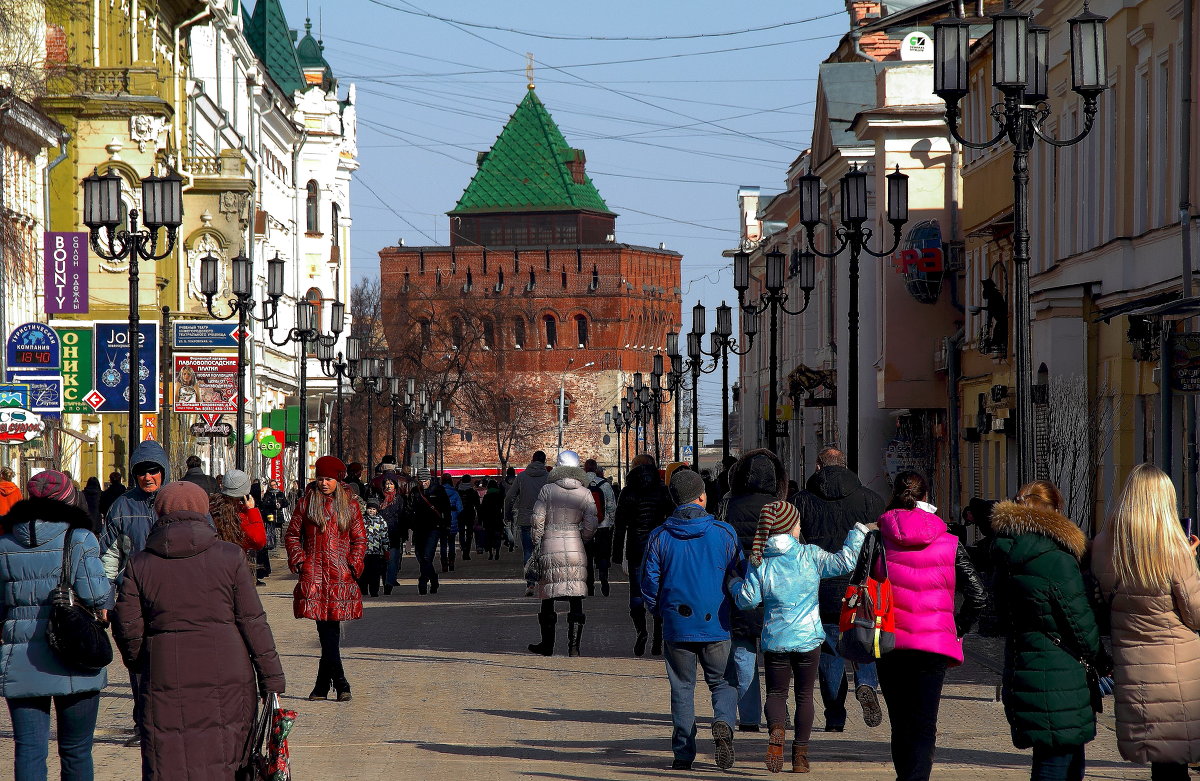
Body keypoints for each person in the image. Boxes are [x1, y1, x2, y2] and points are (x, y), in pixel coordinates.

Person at [112, 480, 285, 779]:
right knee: (226, 757)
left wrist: (145, 661)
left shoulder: (140, 564)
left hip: (166, 672)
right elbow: (253, 621)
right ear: (203, 511)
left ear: (160, 512)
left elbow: (127, 625)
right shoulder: (230, 557)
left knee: (170, 758)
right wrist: (271, 679)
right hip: (230, 673)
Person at [732, 500, 869, 774]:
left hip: (775, 640)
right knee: (805, 695)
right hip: (809, 638)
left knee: (776, 693)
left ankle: (776, 734)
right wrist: (859, 531)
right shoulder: (810, 555)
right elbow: (845, 561)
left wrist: (734, 583)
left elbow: (747, 600)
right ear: (792, 527)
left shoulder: (760, 562)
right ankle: (800, 758)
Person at [876, 471, 988, 781]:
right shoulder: (949, 541)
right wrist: (958, 629)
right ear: (926, 499)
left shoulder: (877, 539)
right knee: (924, 723)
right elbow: (978, 595)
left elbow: (863, 586)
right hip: (933, 646)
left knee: (900, 723)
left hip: (889, 641)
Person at [1091, 464, 1200, 781]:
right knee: (1177, 761)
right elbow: (1194, 613)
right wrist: (1190, 560)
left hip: (1132, 663)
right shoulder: (1174, 549)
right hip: (1178, 665)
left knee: (1160, 762)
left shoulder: (1103, 546)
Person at [0, 471, 111, 780]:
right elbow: (96, 593)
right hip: (73, 655)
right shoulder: (78, 538)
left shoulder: (5, 543)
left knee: (29, 750)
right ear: (68, 499)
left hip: (20, 659)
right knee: (76, 750)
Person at [989, 480, 1101, 781]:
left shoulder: (1005, 556)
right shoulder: (1057, 560)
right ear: (1054, 512)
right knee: (1057, 760)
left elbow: (997, 615)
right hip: (1060, 671)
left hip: (1023, 664)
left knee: (1057, 753)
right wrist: (1100, 659)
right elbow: (1080, 623)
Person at [640, 468, 743, 771]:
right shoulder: (724, 533)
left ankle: (683, 753)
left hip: (677, 621)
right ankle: (723, 722)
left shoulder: (659, 536)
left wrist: (658, 610)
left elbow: (649, 581)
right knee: (723, 683)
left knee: (682, 688)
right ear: (701, 496)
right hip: (717, 622)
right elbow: (736, 575)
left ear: (674, 500)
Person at [790, 446, 885, 732]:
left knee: (830, 651)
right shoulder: (870, 500)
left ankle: (834, 716)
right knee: (864, 638)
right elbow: (881, 547)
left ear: (818, 467)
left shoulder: (800, 501)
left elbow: (794, 547)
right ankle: (866, 682)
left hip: (820, 589)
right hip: (861, 587)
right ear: (845, 466)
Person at [99, 439, 168, 747]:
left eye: (154, 470)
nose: (148, 477)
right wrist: (104, 599)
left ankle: (168, 725)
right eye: (141, 471)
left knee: (172, 665)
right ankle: (143, 726)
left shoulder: (178, 501)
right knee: (138, 665)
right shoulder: (122, 506)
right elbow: (108, 559)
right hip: (133, 601)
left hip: (173, 599)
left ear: (164, 471)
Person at [285, 455, 366, 701]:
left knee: (330, 629)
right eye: (320, 478)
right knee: (325, 629)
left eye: (328, 479)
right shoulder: (306, 504)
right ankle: (339, 684)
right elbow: (292, 535)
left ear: (338, 480)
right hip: (314, 574)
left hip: (339, 573)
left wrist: (351, 565)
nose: (323, 483)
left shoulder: (350, 505)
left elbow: (360, 539)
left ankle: (326, 685)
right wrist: (300, 561)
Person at [719, 448, 788, 734]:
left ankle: (749, 717)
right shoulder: (782, 507)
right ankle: (777, 715)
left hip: (742, 588)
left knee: (743, 654)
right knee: (777, 658)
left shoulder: (728, 506)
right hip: (776, 593)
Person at [526, 450, 598, 657]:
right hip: (575, 546)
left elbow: (538, 519)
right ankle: (573, 646)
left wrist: (537, 541)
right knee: (576, 596)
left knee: (548, 595)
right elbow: (591, 523)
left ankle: (547, 645)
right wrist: (582, 538)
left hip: (550, 544)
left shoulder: (547, 490)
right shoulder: (585, 492)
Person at [612, 453, 674, 656]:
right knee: (659, 591)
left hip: (636, 547)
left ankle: (641, 631)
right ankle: (658, 636)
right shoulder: (663, 490)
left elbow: (620, 525)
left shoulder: (628, 491)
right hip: (660, 546)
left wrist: (615, 553)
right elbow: (671, 518)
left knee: (637, 593)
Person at [505, 451, 551, 596]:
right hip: (545, 519)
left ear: (532, 460)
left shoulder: (522, 477)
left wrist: (507, 514)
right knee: (545, 551)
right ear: (544, 461)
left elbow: (509, 497)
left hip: (526, 518)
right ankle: (544, 581)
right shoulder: (549, 478)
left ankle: (530, 583)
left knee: (528, 551)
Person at [208, 469, 268, 579]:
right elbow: (259, 541)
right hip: (235, 569)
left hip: (211, 566)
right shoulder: (242, 515)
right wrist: (252, 510)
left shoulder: (211, 509)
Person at [406, 468, 451, 595]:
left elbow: (446, 509)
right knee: (420, 556)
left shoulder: (438, 490)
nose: (423, 483)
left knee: (427, 556)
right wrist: (410, 523)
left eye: (425, 480)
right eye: (420, 481)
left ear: (429, 479)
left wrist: (446, 525)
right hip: (419, 528)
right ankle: (432, 577)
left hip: (434, 528)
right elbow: (409, 509)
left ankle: (423, 580)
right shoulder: (415, 492)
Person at [583, 459, 616, 597]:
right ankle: (603, 577)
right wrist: (610, 523)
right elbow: (611, 506)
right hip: (603, 526)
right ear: (596, 469)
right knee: (603, 555)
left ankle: (589, 585)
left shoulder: (581, 484)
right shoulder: (605, 485)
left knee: (587, 557)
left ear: (584, 469)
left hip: (585, 526)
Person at [258, 479, 290, 583]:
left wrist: (280, 504)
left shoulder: (280, 494)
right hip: (271, 516)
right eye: (272, 485)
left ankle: (278, 545)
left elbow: (286, 502)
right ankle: (274, 546)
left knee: (278, 532)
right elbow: (265, 504)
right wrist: (272, 504)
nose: (274, 487)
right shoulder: (268, 494)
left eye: (275, 485)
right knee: (272, 532)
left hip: (279, 516)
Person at [379, 477, 406, 595]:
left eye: (391, 484)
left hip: (395, 533)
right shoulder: (379, 498)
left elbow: (404, 516)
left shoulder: (399, 499)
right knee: (383, 560)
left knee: (392, 560)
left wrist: (403, 533)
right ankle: (386, 580)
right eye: (386, 483)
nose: (388, 486)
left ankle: (389, 583)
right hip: (380, 534)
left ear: (395, 486)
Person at [359, 499, 390, 597]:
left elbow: (385, 536)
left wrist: (386, 549)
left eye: (373, 509)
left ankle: (374, 591)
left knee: (375, 573)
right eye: (369, 509)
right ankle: (363, 590)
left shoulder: (381, 522)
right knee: (363, 572)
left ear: (377, 510)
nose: (371, 511)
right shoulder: (362, 520)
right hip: (363, 551)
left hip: (376, 552)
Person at [440, 473, 463, 572]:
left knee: (443, 543)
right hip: (453, 519)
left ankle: (444, 563)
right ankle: (452, 562)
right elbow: (460, 508)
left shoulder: (438, 492)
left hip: (441, 519)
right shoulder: (455, 493)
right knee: (452, 542)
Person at [481, 478, 506, 560]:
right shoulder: (500, 496)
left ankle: (490, 553)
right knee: (497, 536)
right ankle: (497, 552)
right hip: (497, 518)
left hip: (488, 519)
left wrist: (481, 520)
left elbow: (483, 509)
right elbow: (503, 507)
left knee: (489, 536)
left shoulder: (486, 496)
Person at [457, 474, 480, 560]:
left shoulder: (458, 491)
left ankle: (463, 547)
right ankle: (467, 552)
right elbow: (477, 504)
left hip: (460, 514)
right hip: (470, 513)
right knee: (469, 533)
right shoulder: (472, 491)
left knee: (461, 532)